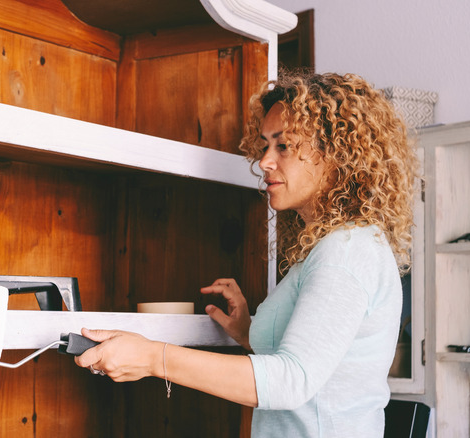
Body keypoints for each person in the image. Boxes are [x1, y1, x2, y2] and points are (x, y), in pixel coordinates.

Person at [75, 71, 419, 437]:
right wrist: (248, 333)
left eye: (283, 146)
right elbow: (322, 359)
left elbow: (292, 380)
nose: (265, 162)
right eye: (265, 146)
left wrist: (152, 357)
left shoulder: (346, 251)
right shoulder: (334, 245)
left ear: (335, 155)